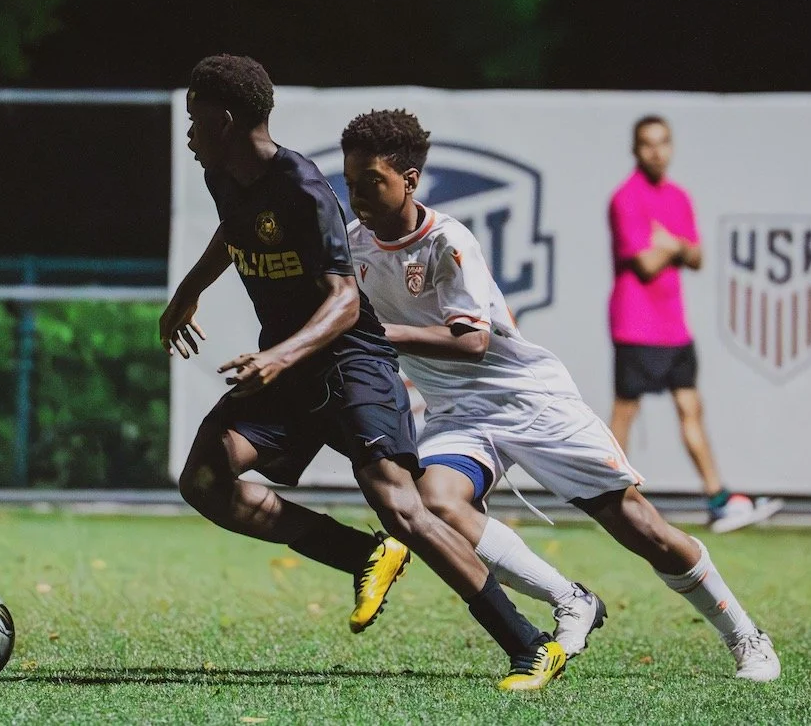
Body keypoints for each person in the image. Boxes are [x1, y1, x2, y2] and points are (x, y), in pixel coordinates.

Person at [162, 55, 564, 690]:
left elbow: (346, 301)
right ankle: (360, 555)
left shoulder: (300, 185)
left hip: (351, 361)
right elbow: (232, 232)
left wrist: (277, 356)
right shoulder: (224, 174)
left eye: (195, 120)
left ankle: (530, 643)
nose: (188, 133)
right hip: (290, 366)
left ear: (225, 120)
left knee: (402, 508)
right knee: (206, 477)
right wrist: (188, 293)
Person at [340, 108, 780, 682]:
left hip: (529, 400)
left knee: (641, 529)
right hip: (457, 413)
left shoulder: (449, 242)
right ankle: (571, 598)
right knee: (436, 504)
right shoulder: (354, 246)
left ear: (411, 178)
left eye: (371, 181)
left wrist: (376, 333)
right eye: (350, 182)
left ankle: (746, 636)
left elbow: (472, 341)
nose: (357, 195)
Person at [608, 116, 783, 532]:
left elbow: (699, 257)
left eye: (663, 143)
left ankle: (717, 499)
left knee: (691, 408)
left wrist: (671, 244)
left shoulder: (679, 197)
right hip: (635, 325)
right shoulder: (625, 198)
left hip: (674, 328)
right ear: (636, 150)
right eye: (648, 144)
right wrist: (676, 248)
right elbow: (647, 264)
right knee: (625, 413)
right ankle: (611, 497)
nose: (657, 151)